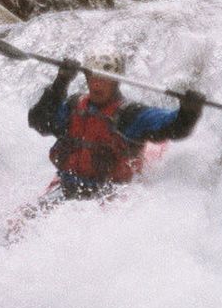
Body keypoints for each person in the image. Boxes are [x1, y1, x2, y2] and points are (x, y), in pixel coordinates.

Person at [27, 51, 205, 200]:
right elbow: (39, 121)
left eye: (104, 78)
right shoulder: (74, 106)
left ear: (116, 80)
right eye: (92, 76)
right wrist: (61, 81)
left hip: (108, 195)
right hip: (67, 185)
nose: (96, 83)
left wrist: (188, 111)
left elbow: (175, 127)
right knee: (17, 227)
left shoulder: (130, 115)